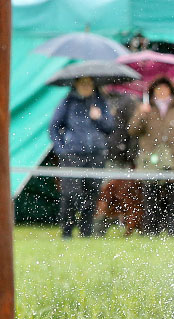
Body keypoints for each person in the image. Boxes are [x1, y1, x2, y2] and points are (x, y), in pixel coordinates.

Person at [127, 77, 174, 235]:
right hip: (151, 162)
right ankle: (151, 231)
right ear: (153, 92)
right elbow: (132, 130)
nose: (162, 92)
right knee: (150, 197)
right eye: (158, 90)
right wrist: (141, 114)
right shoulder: (145, 107)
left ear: (170, 90)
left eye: (165, 89)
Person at [49, 76, 115, 238]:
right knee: (70, 194)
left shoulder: (100, 102)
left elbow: (110, 127)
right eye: (83, 83)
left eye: (89, 83)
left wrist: (98, 117)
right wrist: (61, 149)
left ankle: (86, 231)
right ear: (76, 84)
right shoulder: (67, 103)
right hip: (72, 154)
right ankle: (67, 232)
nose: (86, 86)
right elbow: (54, 127)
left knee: (91, 193)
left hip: (96, 154)